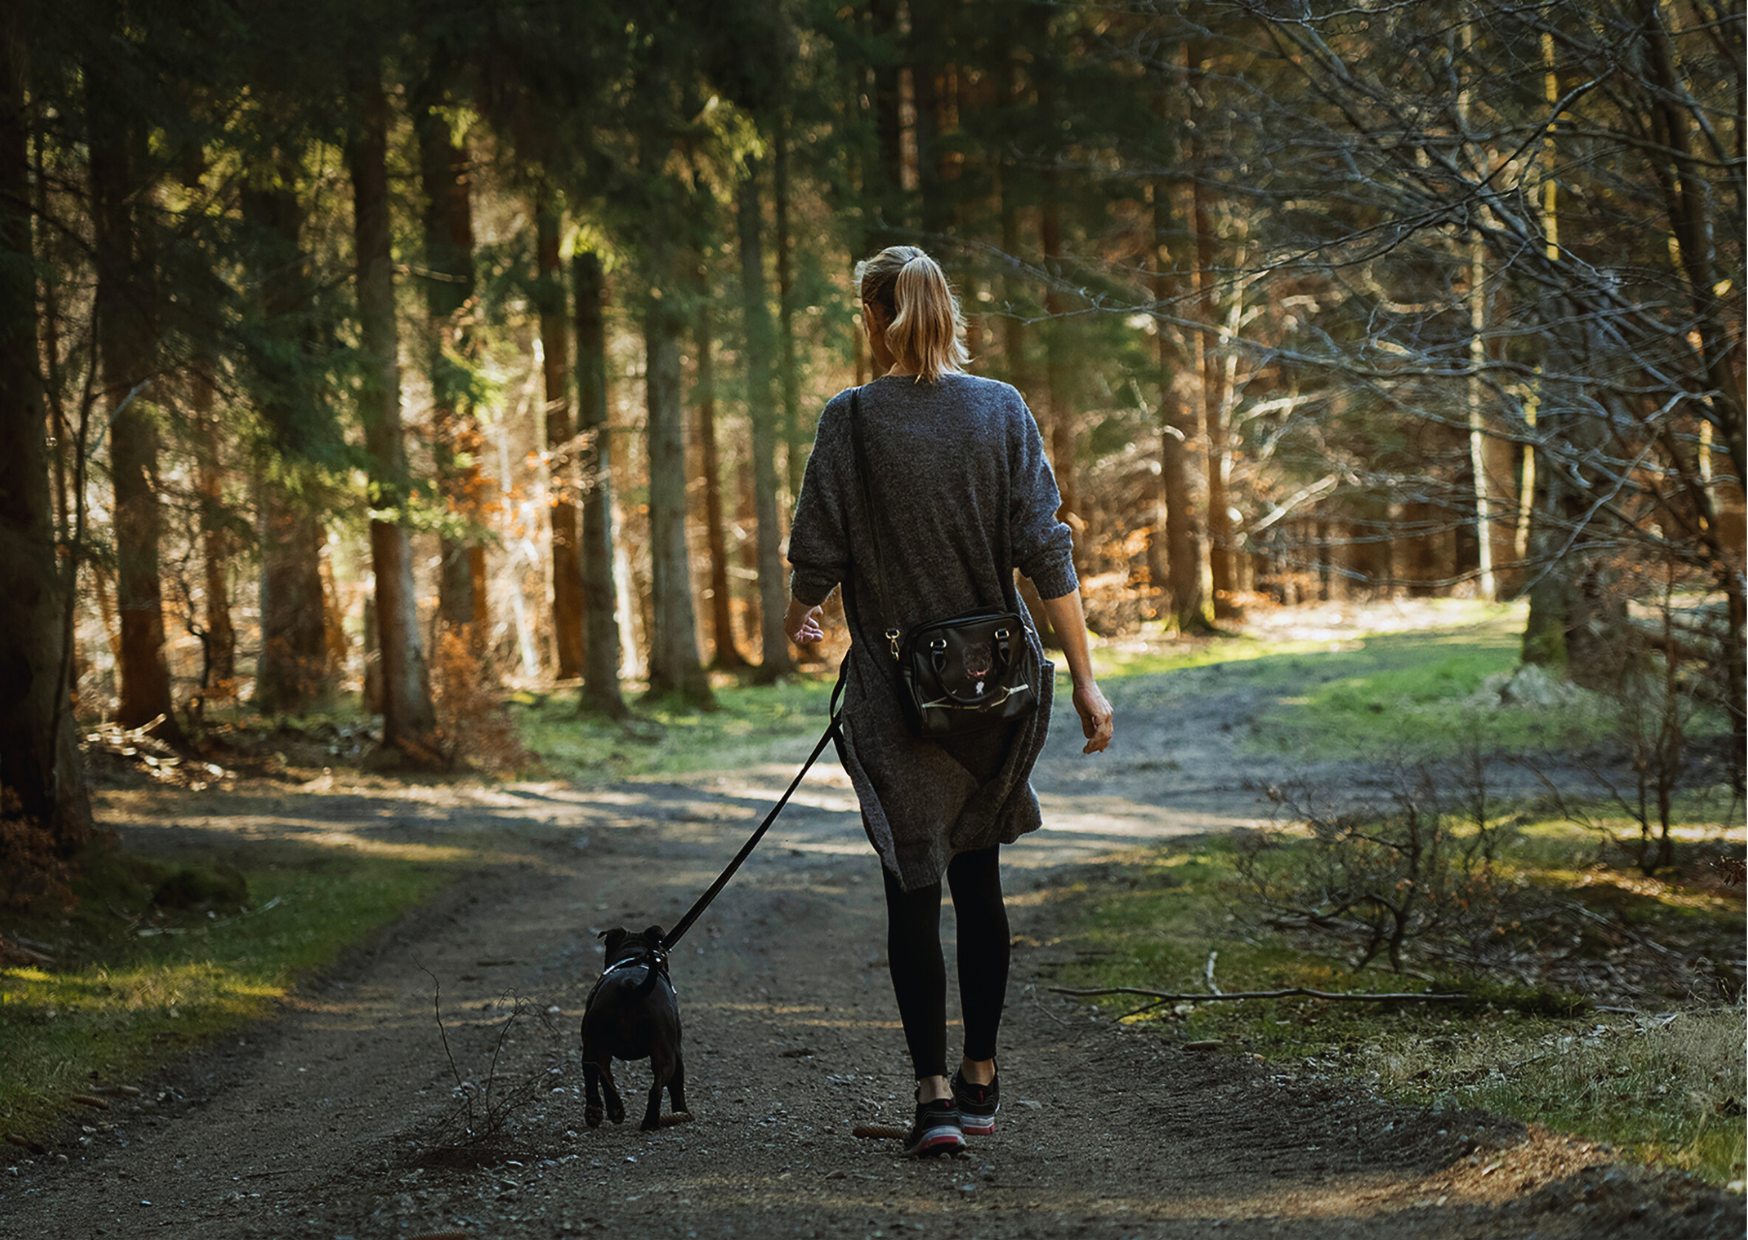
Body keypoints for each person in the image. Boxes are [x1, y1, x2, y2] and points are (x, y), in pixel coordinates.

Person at [784, 245, 1115, 1158]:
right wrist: (1084, 676)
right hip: (999, 688)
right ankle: (980, 1078)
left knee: (910, 886)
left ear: (871, 317)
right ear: (945, 311)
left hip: (897, 694)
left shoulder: (850, 421)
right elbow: (1046, 552)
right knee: (980, 881)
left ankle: (930, 1096)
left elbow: (817, 555)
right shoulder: (1002, 410)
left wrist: (801, 620)